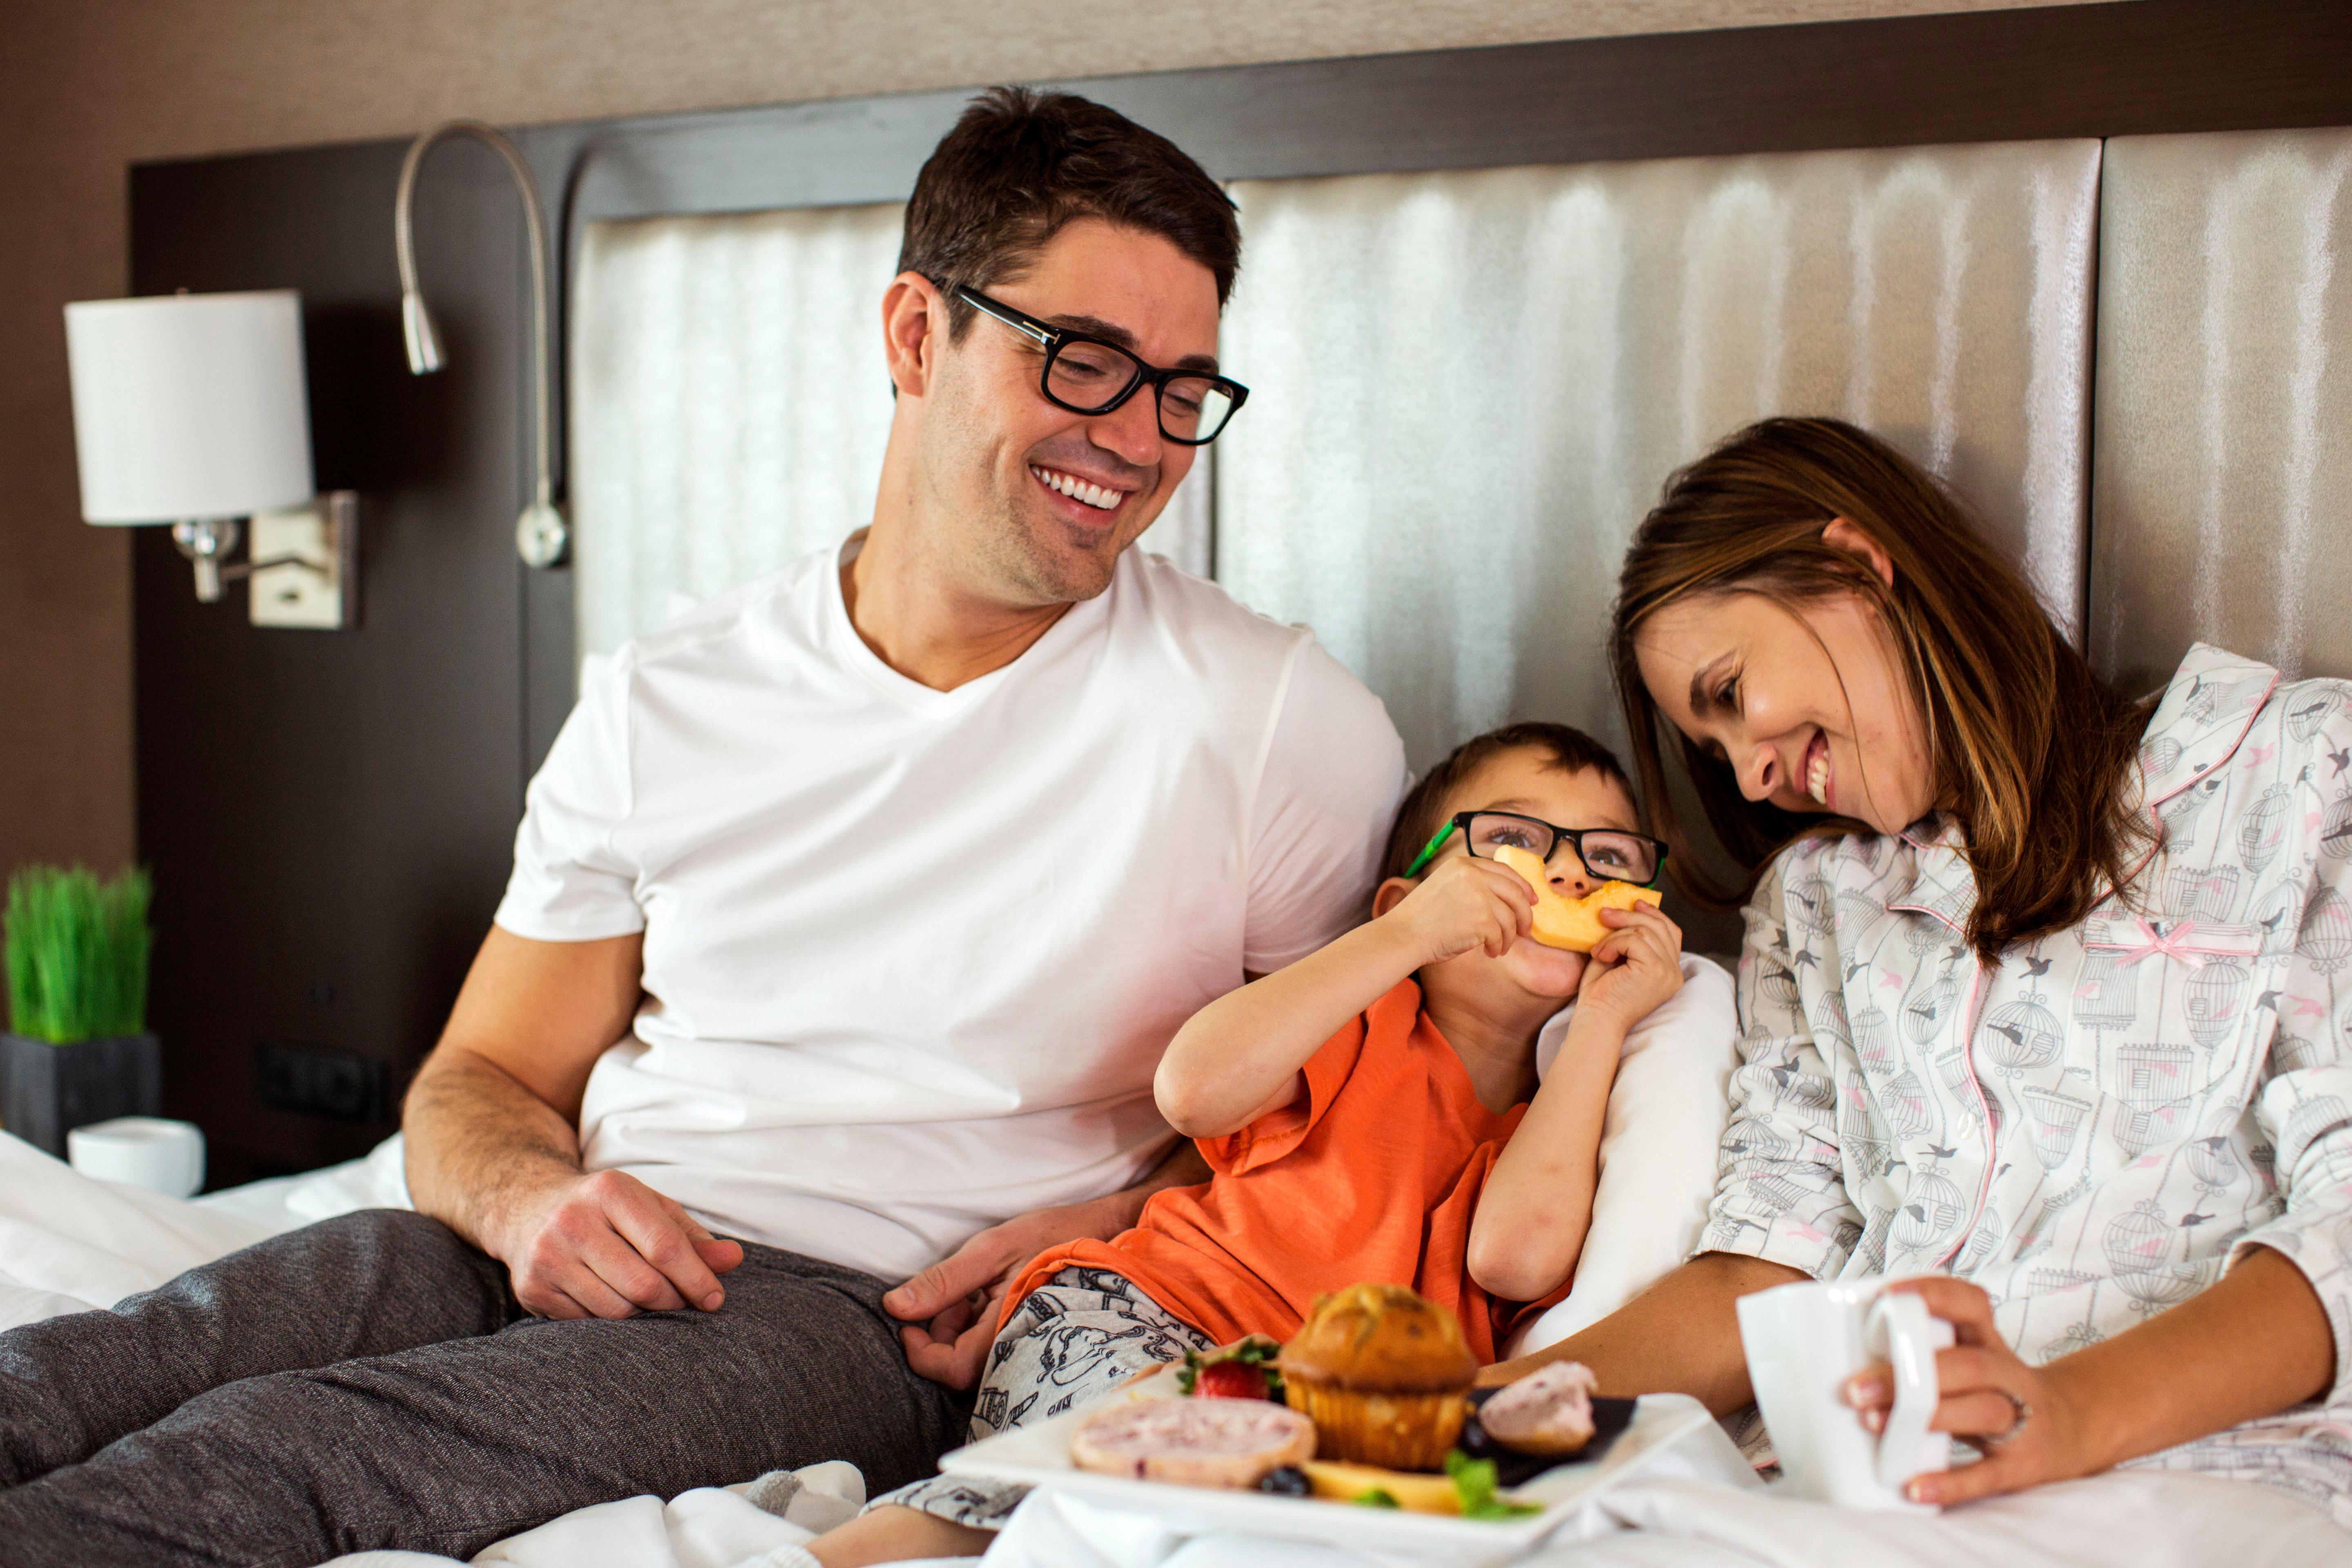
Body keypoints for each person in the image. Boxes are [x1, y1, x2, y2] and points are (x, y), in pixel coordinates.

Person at [0, 89, 1407, 1567]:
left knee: (271, 1463)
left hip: (847, 1315)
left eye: (1183, 390)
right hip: (545, 1243)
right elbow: (482, 1077)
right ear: (916, 334)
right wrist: (530, 1203)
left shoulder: (1274, 726)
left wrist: (1109, 1232)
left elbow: (1363, 1143)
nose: (1137, 439)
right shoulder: (670, 692)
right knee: (101, 1367)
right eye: (1087, 361)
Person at [1487, 416, 2352, 1530]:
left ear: (1857, 566)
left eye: (1730, 693)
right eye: (1713, 754)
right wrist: (1461, 1411)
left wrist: (2070, 1414)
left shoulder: (2295, 769)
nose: (1748, 780)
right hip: (1847, 1493)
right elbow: (1766, 1267)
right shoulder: (1815, 905)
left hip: (2204, 1479)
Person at [805, 722, 1704, 1566]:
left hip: (1321, 1412)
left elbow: (1514, 1259)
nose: (1568, 873)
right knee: (1101, 1485)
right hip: (1143, 1320)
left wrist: (1602, 1020)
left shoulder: (1575, 1113)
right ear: (1409, 900)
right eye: (1511, 840)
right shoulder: (1365, 1017)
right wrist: (1401, 940)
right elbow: (1193, 1090)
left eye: (1610, 858)